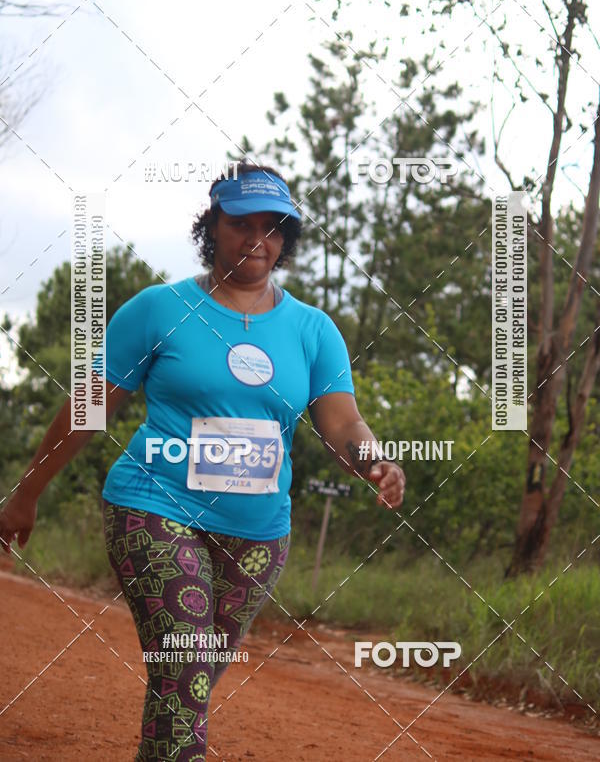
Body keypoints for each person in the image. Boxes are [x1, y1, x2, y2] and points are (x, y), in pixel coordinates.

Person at [0, 162, 406, 761]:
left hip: (259, 535)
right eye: (242, 223)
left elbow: (342, 421)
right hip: (154, 508)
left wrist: (374, 461)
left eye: (273, 228)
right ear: (212, 226)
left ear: (286, 240)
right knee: (186, 661)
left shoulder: (312, 331)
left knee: (189, 681)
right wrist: (27, 492)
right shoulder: (158, 310)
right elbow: (90, 408)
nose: (257, 239)